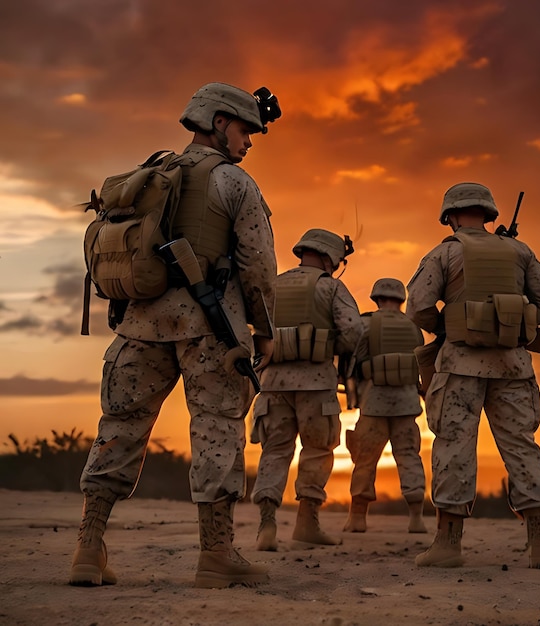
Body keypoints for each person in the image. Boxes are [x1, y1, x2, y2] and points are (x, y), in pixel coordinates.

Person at [69, 82, 281, 589]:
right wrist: (266, 331)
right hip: (211, 329)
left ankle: (87, 547)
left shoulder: (152, 173)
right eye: (245, 130)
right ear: (218, 124)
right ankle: (216, 554)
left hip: (139, 324)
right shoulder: (235, 183)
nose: (249, 142)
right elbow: (258, 268)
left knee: (119, 427)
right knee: (217, 429)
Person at [406, 182, 540, 569]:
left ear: (451, 216)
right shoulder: (519, 251)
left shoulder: (445, 252)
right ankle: (539, 541)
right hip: (512, 364)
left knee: (455, 444)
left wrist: (450, 324)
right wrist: (514, 323)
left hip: (460, 364)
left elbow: (419, 306)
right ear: (489, 215)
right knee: (521, 445)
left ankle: (448, 543)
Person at [250, 228, 363, 550]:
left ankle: (266, 525)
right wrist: (327, 347)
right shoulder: (330, 287)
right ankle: (306, 523)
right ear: (329, 257)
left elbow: (254, 330)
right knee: (317, 450)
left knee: (274, 452)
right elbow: (353, 332)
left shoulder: (273, 284)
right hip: (316, 382)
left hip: (272, 384)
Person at [343, 278, 428, 534]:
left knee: (365, 460)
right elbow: (421, 366)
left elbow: (352, 362)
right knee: (409, 457)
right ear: (401, 300)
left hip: (374, 403)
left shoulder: (366, 324)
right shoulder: (414, 327)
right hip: (406, 404)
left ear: (376, 299)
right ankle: (416, 518)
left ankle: (358, 518)